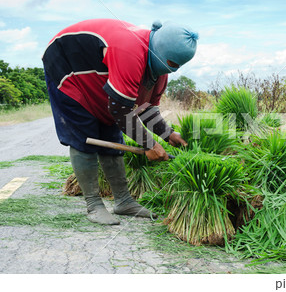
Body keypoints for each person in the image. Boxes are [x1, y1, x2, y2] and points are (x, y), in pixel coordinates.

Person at [42, 18, 198, 225]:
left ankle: (123, 201)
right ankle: (94, 205)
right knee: (84, 136)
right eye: (169, 64)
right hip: (67, 67)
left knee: (111, 131)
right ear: (158, 52)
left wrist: (168, 134)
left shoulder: (160, 73)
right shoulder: (130, 50)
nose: (170, 70)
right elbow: (120, 110)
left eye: (174, 67)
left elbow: (146, 108)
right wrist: (150, 145)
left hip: (98, 78)